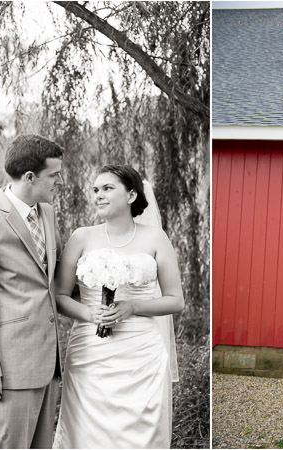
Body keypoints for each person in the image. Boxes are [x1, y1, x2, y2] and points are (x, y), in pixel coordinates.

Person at [53, 165, 184, 448]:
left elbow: (176, 300)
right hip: (90, 352)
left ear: (131, 195)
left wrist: (133, 307)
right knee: (86, 433)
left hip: (141, 353)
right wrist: (89, 314)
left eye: (108, 188)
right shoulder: (81, 237)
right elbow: (59, 296)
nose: (99, 195)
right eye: (96, 190)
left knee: (141, 435)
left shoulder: (156, 238)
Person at [0, 134, 65, 449]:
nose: (59, 183)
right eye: (54, 176)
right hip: (8, 368)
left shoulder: (46, 213)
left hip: (47, 363)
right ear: (30, 177)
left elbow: (52, 277)